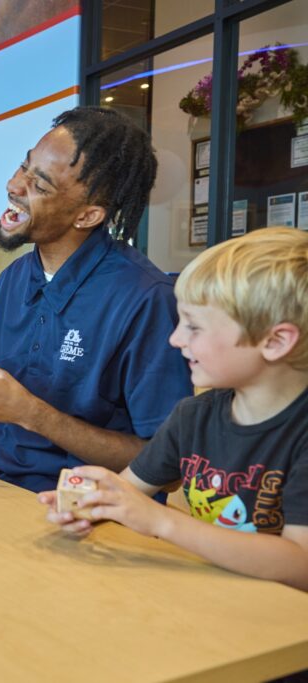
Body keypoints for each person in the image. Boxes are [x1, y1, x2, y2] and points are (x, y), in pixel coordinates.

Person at [0, 106, 191, 491]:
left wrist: (32, 414)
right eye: (24, 167)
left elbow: (168, 470)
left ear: (87, 216)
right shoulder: (14, 278)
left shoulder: (145, 300)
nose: (14, 186)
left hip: (80, 504)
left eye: (41, 185)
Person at [39, 228, 308, 590]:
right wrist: (92, 504)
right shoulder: (194, 416)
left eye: (194, 326)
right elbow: (130, 491)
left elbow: (300, 563)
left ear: (275, 341)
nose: (175, 338)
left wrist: (162, 522)